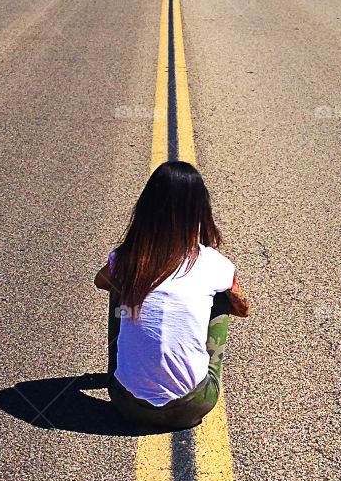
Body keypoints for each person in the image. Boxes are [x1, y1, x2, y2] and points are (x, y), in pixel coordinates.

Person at [94, 160, 250, 431]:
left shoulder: (129, 257)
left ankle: (126, 369)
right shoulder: (213, 262)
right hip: (192, 406)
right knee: (222, 295)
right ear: (201, 210)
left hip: (125, 404)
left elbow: (100, 281)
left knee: (119, 289)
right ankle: (197, 379)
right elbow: (243, 309)